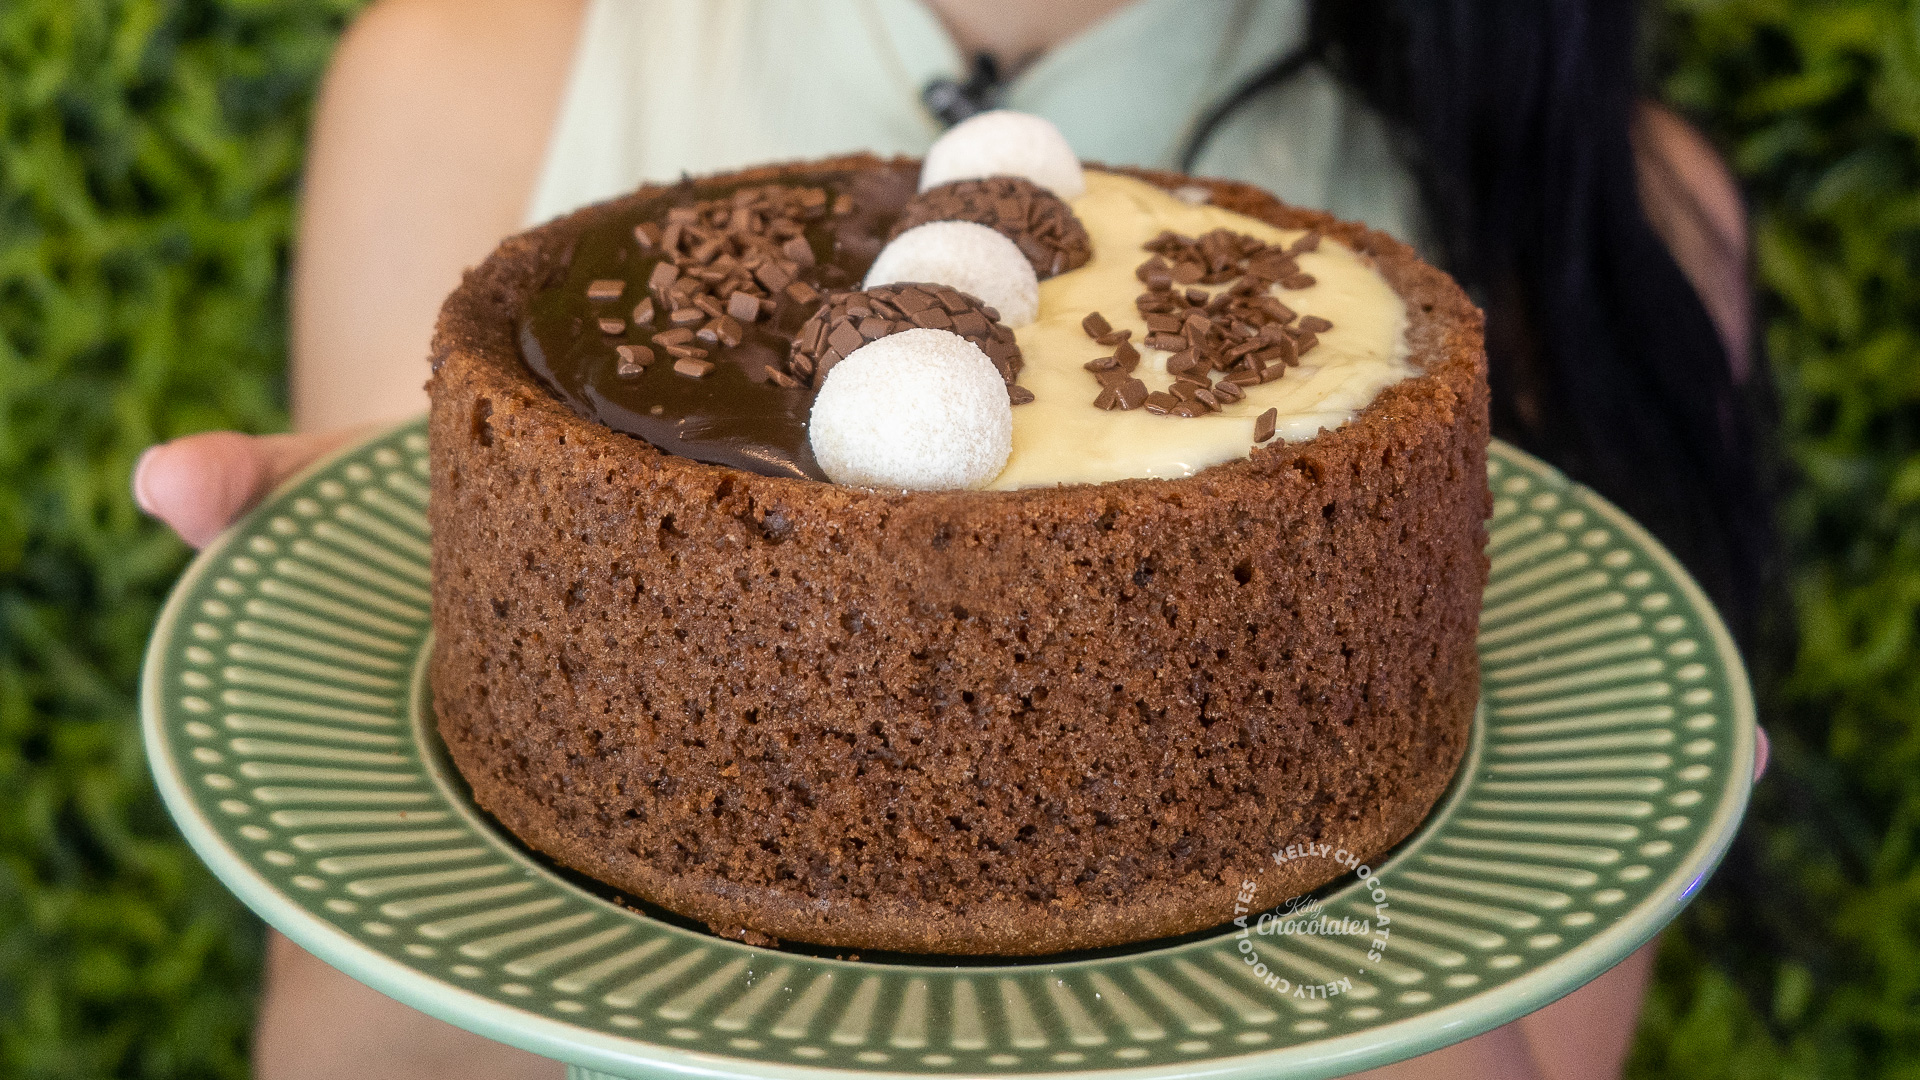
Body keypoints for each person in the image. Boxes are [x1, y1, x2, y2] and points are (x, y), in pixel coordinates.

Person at [132, 2, 1773, 1077]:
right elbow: (367, 1034)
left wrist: (1328, 907)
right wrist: (533, 577)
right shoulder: (467, 77)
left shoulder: (1600, 217)